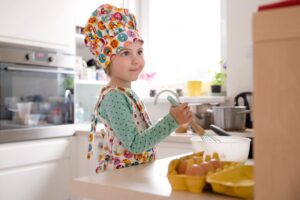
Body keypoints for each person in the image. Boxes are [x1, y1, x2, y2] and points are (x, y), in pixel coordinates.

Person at [84, 4, 192, 173]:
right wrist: (172, 120)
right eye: (126, 53)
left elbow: (143, 137)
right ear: (107, 60)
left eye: (139, 51)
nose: (136, 61)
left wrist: (173, 118)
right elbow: (135, 144)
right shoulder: (114, 97)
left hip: (133, 176)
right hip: (122, 179)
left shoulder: (127, 93)